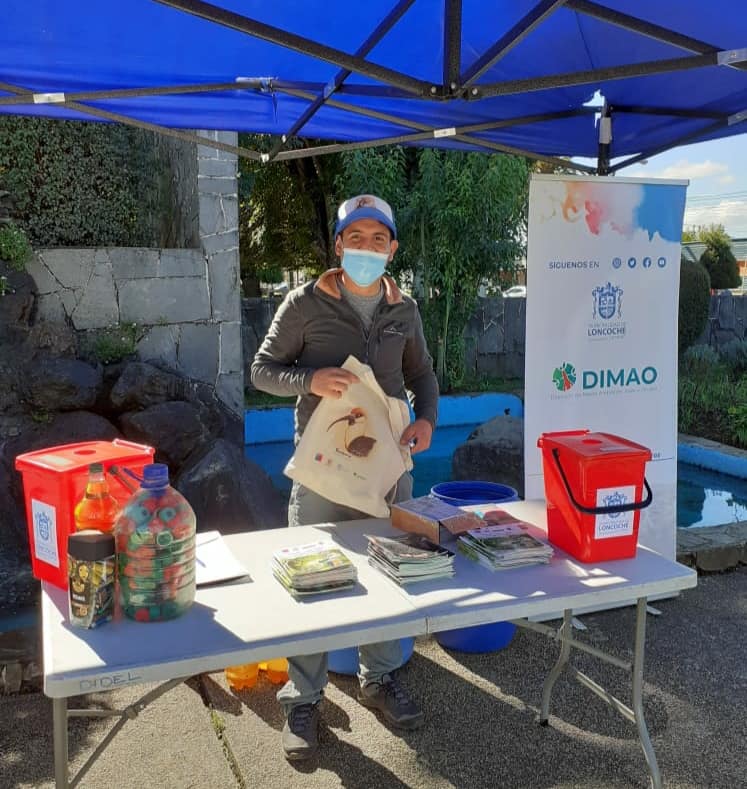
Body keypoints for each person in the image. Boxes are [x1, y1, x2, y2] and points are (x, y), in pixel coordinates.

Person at [251, 193, 439, 760]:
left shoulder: (403, 309)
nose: (366, 249)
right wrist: (310, 379)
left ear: (392, 248)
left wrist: (427, 419)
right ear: (338, 245)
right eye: (355, 239)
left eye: (377, 240)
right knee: (311, 580)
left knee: (388, 571)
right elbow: (262, 372)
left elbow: (423, 374)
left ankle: (378, 678)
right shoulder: (302, 305)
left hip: (387, 471)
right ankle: (303, 699)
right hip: (322, 472)